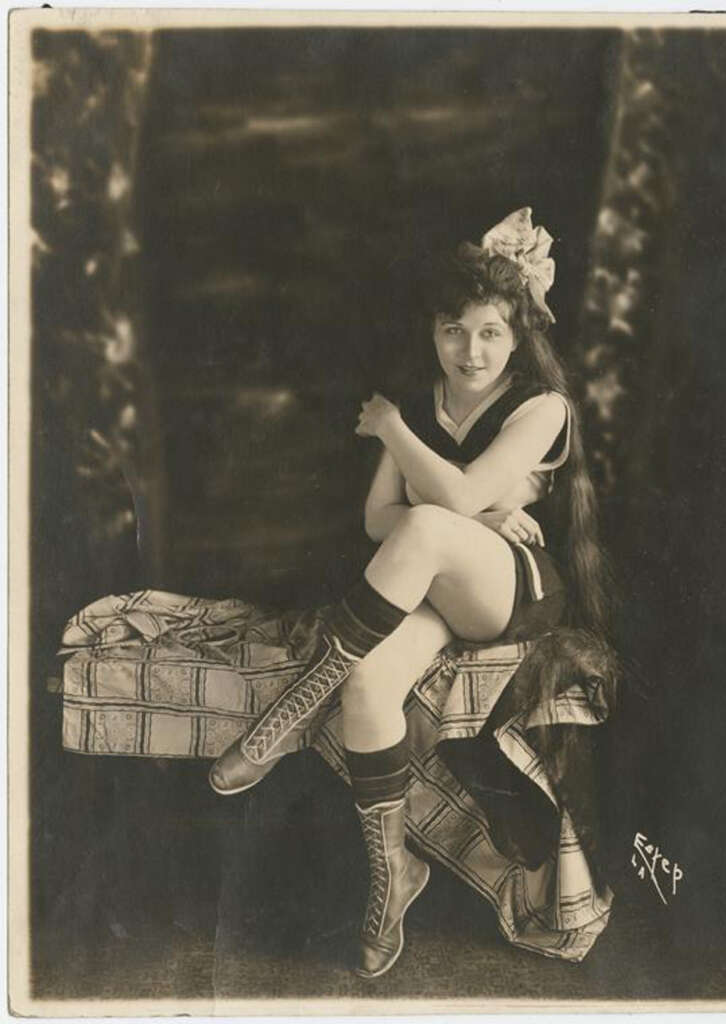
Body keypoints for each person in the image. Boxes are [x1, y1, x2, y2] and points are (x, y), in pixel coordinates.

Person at [208, 207, 614, 979]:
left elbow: (440, 513)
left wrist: (395, 434)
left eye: (490, 332)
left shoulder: (539, 408)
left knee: (427, 528)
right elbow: (376, 520)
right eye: (453, 330)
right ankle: (394, 875)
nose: (470, 350)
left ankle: (288, 710)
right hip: (425, 585)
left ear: (518, 336)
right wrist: (481, 504)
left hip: (509, 593)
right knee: (367, 685)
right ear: (434, 332)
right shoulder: (426, 397)